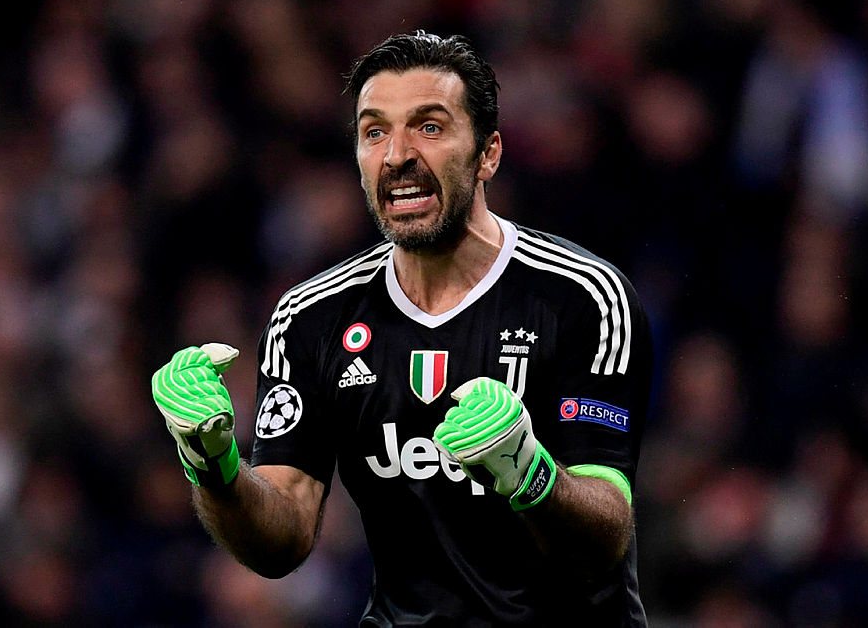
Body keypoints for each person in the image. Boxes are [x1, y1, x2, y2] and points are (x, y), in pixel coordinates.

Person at [151, 31, 653, 626]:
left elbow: (604, 537)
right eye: (375, 132)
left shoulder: (582, 297)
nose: (396, 156)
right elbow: (280, 541)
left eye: (429, 127)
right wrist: (214, 467)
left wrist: (527, 472)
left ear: (488, 154)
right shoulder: (309, 318)